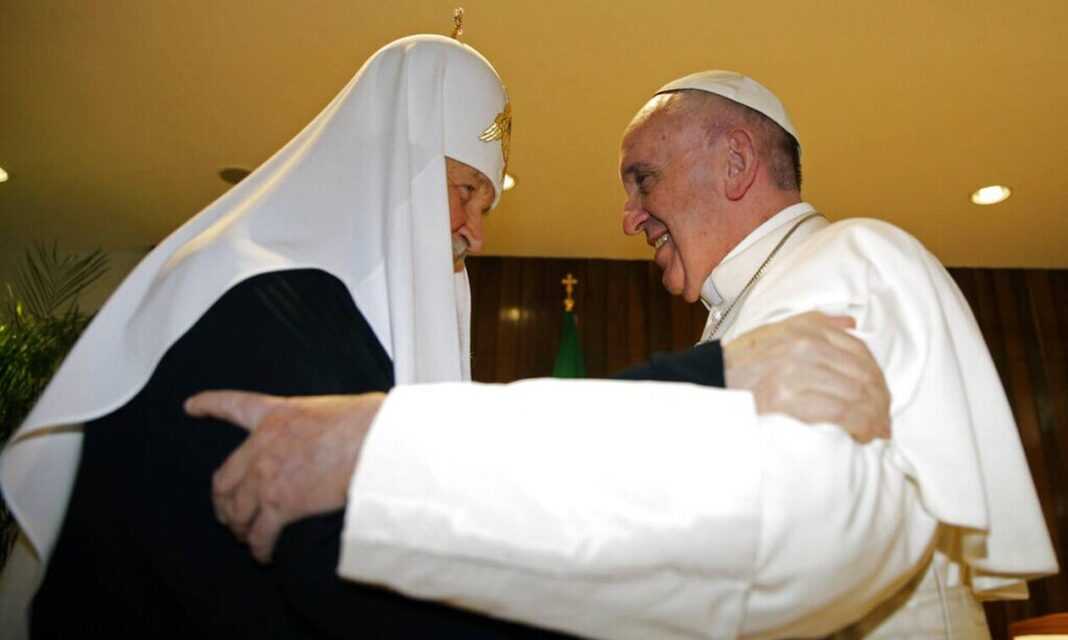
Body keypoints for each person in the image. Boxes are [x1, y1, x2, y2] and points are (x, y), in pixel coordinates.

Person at [0, 34, 889, 639]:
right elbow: (386, 579)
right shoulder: (262, 303)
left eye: (485, 203)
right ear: (386, 167)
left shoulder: (306, 306)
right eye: (464, 191)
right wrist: (716, 384)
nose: (476, 233)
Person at [185, 71, 1058, 639]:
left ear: (737, 163)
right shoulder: (744, 314)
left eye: (643, 178)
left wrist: (383, 456)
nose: (628, 216)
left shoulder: (852, 260)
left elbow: (798, 521)